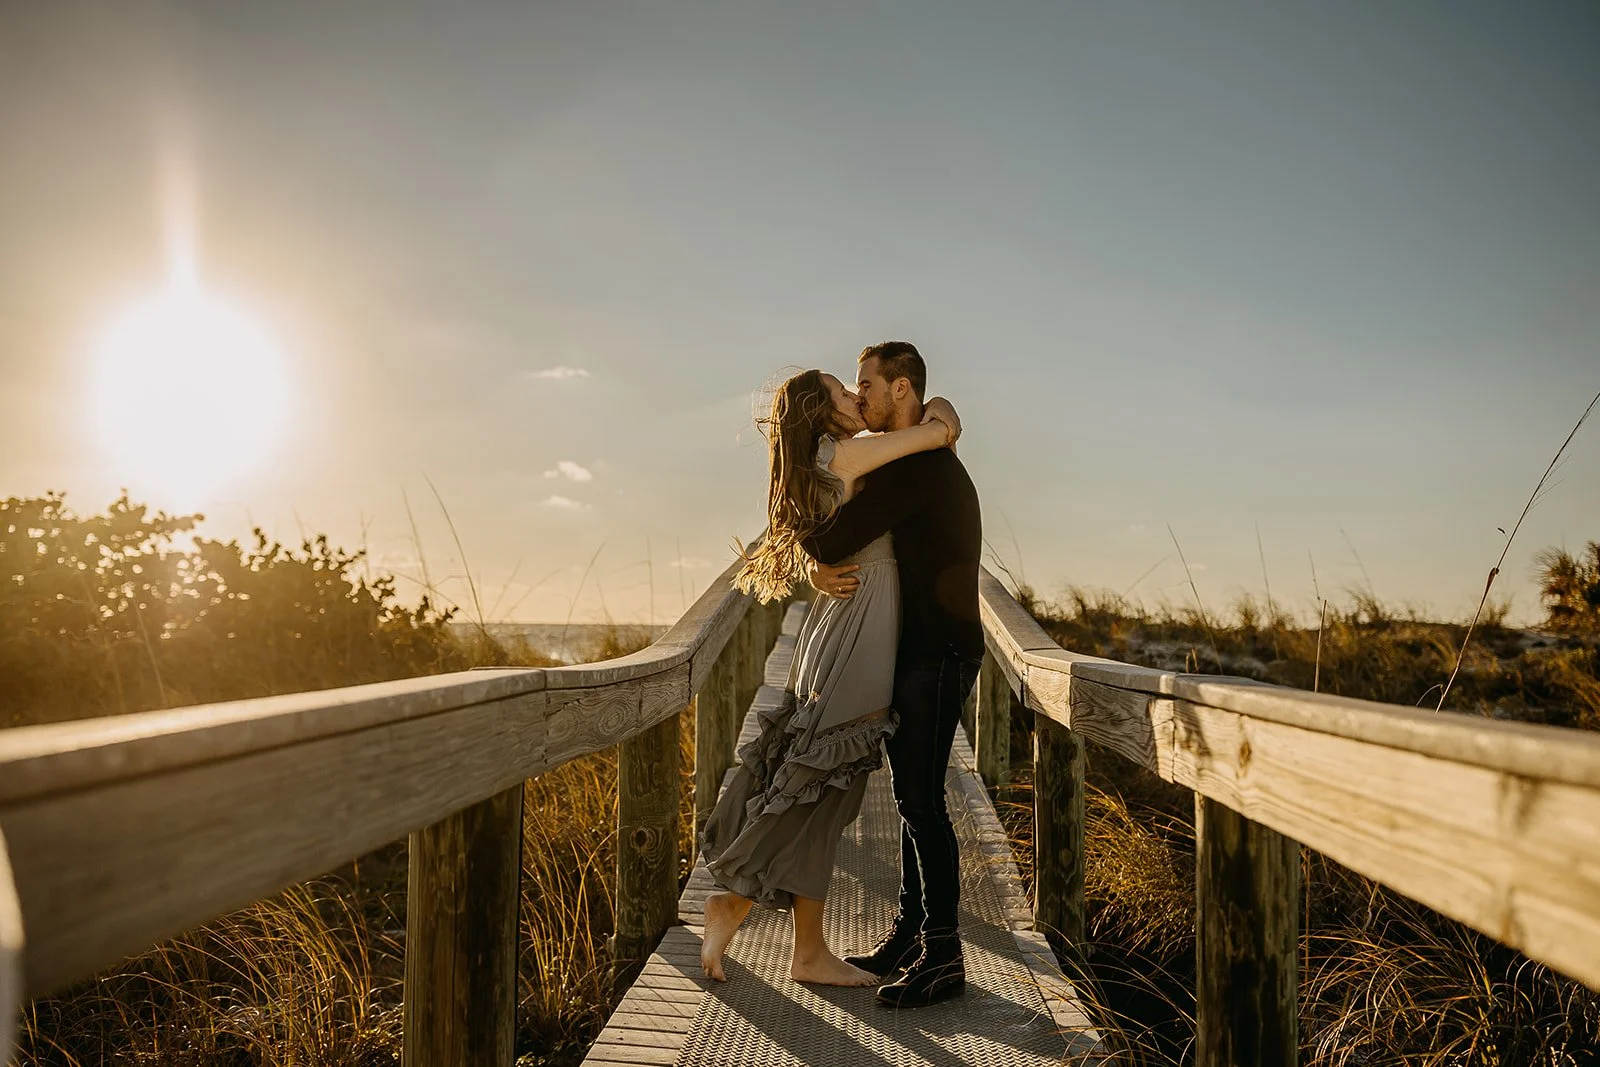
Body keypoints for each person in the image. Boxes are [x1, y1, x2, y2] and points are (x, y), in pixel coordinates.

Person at [698, 365, 963, 987]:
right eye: (846, 392)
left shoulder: (816, 459)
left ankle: (808, 951)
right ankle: (733, 900)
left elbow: (812, 537)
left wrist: (815, 571)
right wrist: (943, 412)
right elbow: (938, 433)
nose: (855, 395)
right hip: (859, 628)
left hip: (838, 621)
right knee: (822, 782)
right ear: (825, 412)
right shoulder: (850, 450)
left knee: (825, 787)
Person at [804, 341, 983, 1008]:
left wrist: (814, 557)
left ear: (902, 388)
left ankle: (944, 955)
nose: (861, 397)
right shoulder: (920, 456)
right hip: (927, 651)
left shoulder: (919, 467)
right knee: (915, 799)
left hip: (939, 653)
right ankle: (911, 935)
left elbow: (829, 536)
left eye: (867, 385)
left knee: (921, 801)